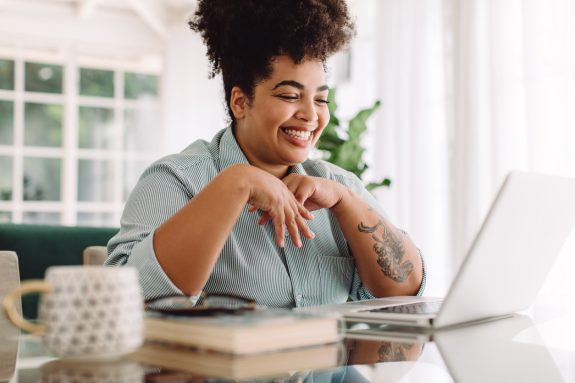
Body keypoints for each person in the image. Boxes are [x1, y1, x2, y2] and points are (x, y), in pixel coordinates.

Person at [106, 0, 425, 307]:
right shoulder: (175, 180)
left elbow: (405, 292)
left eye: (321, 100)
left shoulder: (337, 187)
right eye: (289, 95)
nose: (311, 115)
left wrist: (346, 203)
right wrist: (236, 183)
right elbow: (124, 301)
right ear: (240, 102)